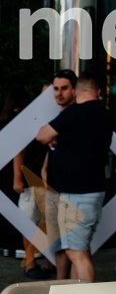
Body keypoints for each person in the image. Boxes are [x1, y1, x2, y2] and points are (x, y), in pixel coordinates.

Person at [36, 72, 114, 283]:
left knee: (76, 254)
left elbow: (42, 135)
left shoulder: (73, 113)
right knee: (81, 248)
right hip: (95, 190)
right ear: (98, 91)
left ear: (76, 92)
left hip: (75, 195)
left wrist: (55, 137)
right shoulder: (106, 115)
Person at [7, 87, 52, 279]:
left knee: (49, 223)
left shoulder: (58, 117)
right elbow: (19, 149)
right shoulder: (31, 119)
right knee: (29, 222)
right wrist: (17, 177)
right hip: (29, 180)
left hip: (50, 180)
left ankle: (49, 261)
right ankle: (30, 262)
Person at [41, 69, 78, 280]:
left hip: (74, 192)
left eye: (64, 88)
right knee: (57, 245)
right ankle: (60, 285)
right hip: (54, 189)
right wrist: (45, 168)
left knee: (74, 247)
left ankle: (72, 289)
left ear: (74, 90)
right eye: (55, 89)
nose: (59, 93)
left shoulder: (79, 115)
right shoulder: (56, 117)